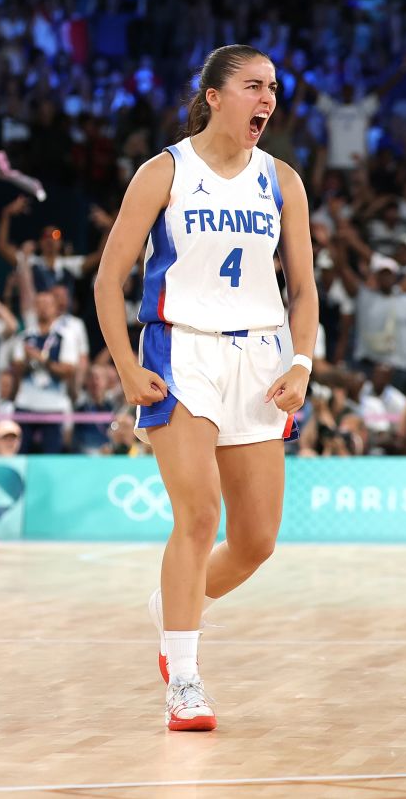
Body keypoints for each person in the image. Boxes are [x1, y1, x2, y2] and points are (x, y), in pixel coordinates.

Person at [94, 44, 317, 731]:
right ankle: (184, 678)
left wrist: (302, 362)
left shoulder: (281, 180)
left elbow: (304, 289)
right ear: (214, 96)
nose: (268, 100)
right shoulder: (165, 171)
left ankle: (174, 602)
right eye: (253, 86)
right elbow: (108, 280)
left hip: (260, 357)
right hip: (180, 349)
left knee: (256, 541)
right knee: (198, 514)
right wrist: (127, 368)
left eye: (273, 88)